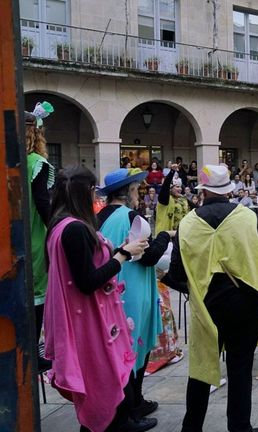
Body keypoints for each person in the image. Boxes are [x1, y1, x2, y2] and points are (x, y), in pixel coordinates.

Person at [166, 164, 258, 432]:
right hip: (244, 304)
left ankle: (191, 428)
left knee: (201, 368)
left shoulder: (187, 223)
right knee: (240, 367)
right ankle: (240, 428)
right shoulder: (246, 217)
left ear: (202, 191)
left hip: (206, 305)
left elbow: (177, 273)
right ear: (229, 190)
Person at [43, 166, 151, 432]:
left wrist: (117, 251)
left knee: (113, 386)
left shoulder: (61, 225)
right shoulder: (74, 229)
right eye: (92, 190)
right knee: (105, 388)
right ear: (83, 193)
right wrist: (123, 254)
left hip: (90, 321)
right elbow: (87, 282)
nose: (96, 196)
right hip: (90, 325)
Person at [97, 168, 175, 422]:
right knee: (134, 349)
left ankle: (134, 403)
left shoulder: (98, 216)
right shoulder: (132, 217)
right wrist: (164, 236)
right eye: (135, 189)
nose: (137, 194)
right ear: (129, 191)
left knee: (119, 350)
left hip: (110, 291)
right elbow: (149, 256)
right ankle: (130, 410)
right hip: (133, 291)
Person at [25, 107, 55, 371]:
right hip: (34, 239)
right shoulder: (37, 163)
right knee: (36, 301)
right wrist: (57, 229)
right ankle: (32, 356)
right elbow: (43, 203)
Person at [155, 163, 190, 235]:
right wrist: (172, 172)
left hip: (180, 235)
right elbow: (165, 186)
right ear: (170, 189)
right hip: (166, 236)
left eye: (180, 187)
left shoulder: (183, 199)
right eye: (177, 187)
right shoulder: (164, 199)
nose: (180, 189)